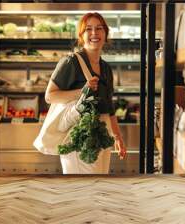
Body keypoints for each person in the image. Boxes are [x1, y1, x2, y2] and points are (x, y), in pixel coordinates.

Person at [45, 12, 127, 174]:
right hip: (79, 137)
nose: (94, 33)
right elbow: (50, 96)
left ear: (106, 33)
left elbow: (109, 108)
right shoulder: (71, 62)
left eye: (99, 28)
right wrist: (82, 91)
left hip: (102, 136)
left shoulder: (106, 68)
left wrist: (117, 137)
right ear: (81, 35)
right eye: (88, 29)